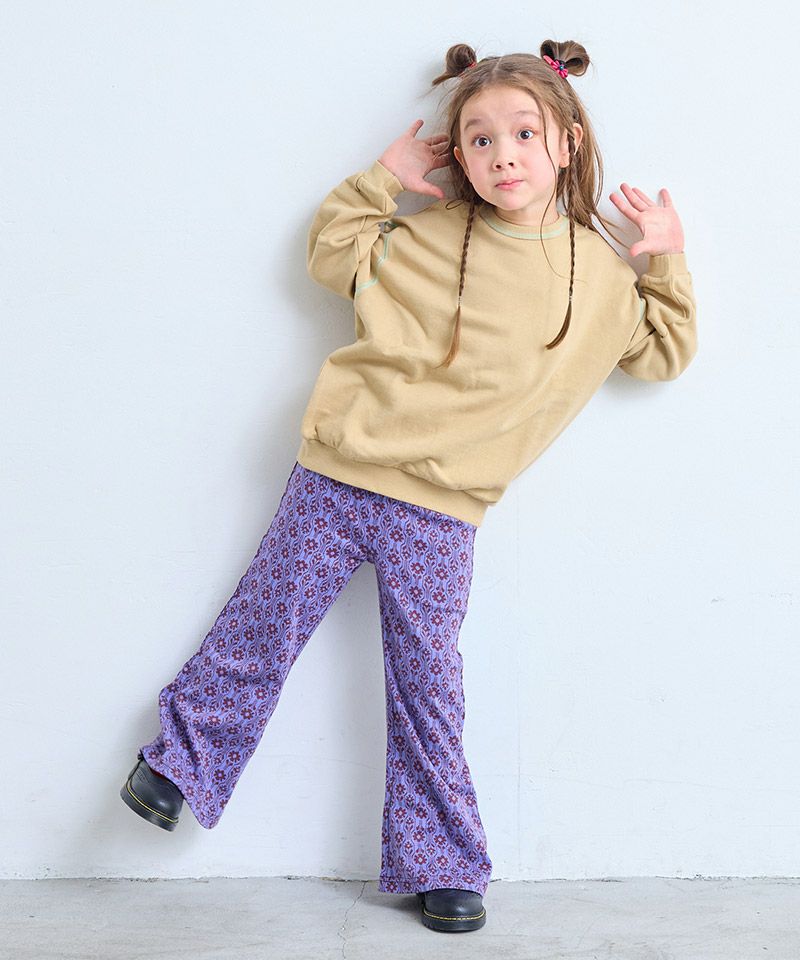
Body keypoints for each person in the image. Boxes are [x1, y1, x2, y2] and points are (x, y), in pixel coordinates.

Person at [120, 39, 697, 934]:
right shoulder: (429, 235)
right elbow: (333, 251)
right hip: (339, 475)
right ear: (457, 153)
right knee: (264, 624)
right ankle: (178, 763)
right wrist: (382, 179)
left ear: (568, 142)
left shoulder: (600, 280)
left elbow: (661, 354)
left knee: (428, 687)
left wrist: (666, 258)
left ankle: (443, 863)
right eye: (479, 138)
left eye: (524, 133)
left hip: (442, 512)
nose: (503, 154)